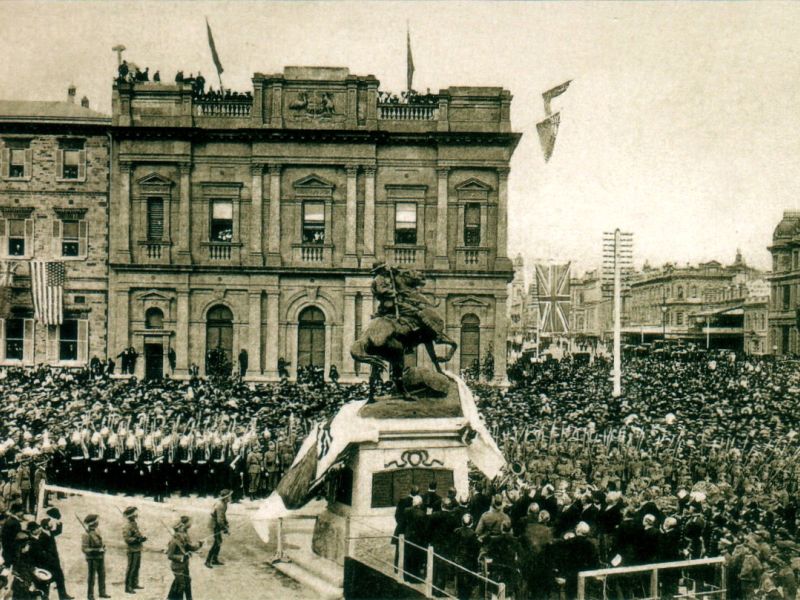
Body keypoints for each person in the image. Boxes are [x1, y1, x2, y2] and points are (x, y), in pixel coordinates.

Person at [38, 508, 72, 600]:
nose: (51, 525)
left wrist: (59, 523)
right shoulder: (42, 536)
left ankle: (63, 596)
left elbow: (58, 531)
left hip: (54, 561)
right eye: (49, 525)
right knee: (47, 580)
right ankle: (46, 597)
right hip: (48, 562)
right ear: (45, 526)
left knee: (60, 578)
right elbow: (42, 551)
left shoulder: (49, 533)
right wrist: (48, 558)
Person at [167, 516, 203, 600]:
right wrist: (183, 557)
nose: (184, 530)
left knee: (187, 581)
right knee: (181, 584)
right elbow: (170, 555)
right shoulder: (173, 542)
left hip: (184, 565)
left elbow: (190, 547)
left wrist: (199, 544)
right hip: (177, 567)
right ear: (178, 529)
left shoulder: (182, 538)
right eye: (181, 528)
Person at [81, 514, 109, 600]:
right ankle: (90, 595)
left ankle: (102, 592)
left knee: (102, 575)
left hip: (100, 557)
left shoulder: (97, 532)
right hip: (92, 559)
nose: (98, 523)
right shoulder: (86, 535)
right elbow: (85, 549)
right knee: (92, 578)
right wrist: (97, 550)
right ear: (93, 523)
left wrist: (103, 548)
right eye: (96, 521)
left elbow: (100, 543)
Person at [122, 506, 146, 594]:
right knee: (131, 568)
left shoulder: (134, 524)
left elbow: (137, 534)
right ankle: (128, 587)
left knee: (136, 567)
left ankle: (134, 583)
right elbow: (127, 539)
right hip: (132, 550)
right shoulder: (127, 525)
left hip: (137, 548)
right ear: (131, 515)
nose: (137, 514)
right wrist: (137, 540)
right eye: (135, 513)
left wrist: (141, 538)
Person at [205, 489, 231, 568]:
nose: (230, 497)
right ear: (226, 497)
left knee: (219, 542)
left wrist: (226, 523)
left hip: (217, 523)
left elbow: (223, 516)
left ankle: (214, 559)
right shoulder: (221, 505)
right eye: (229, 496)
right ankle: (208, 561)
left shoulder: (224, 504)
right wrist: (225, 529)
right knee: (217, 542)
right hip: (214, 525)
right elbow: (219, 520)